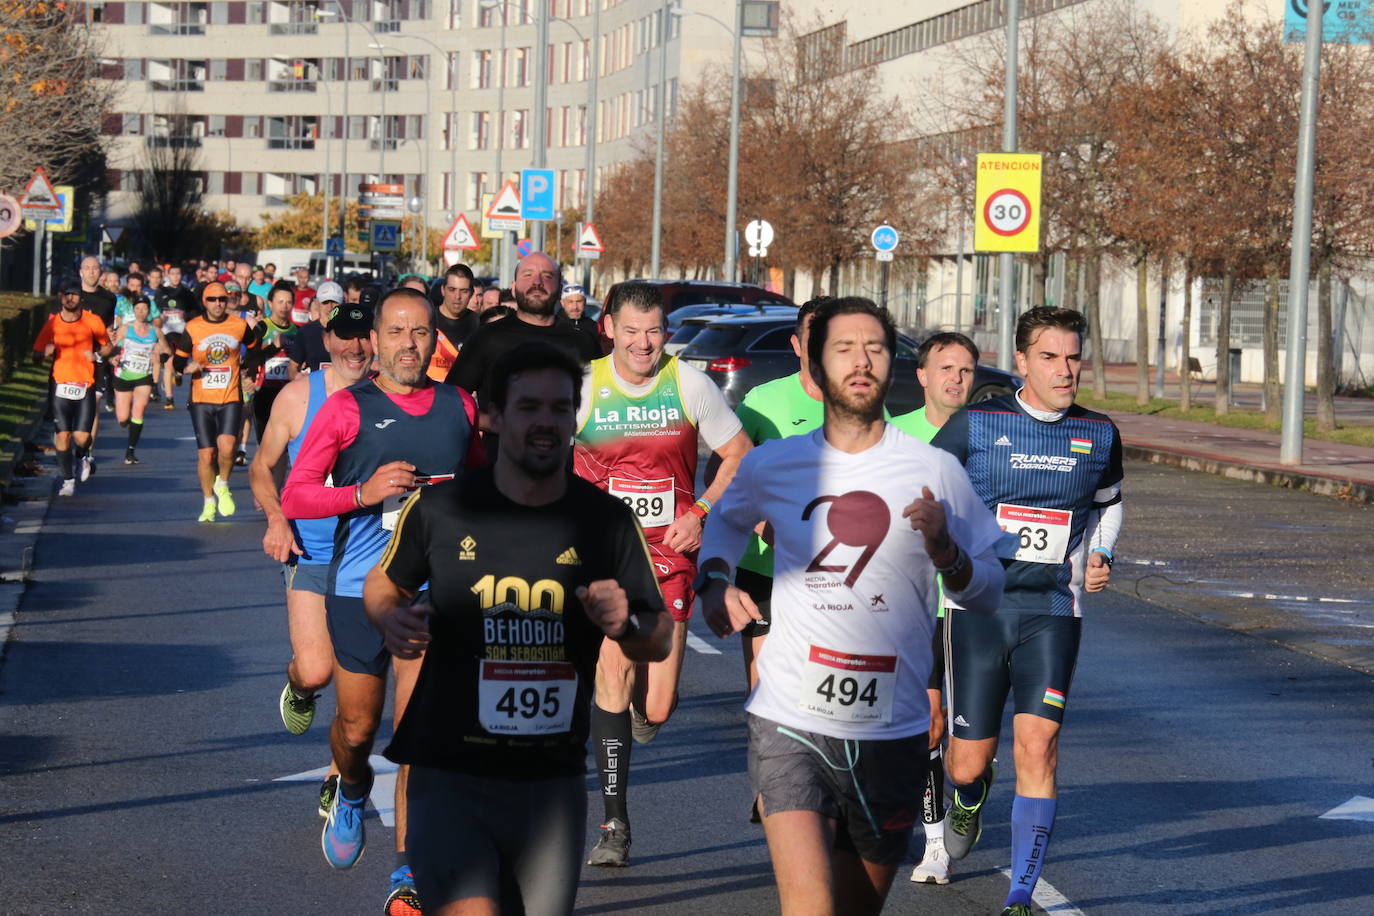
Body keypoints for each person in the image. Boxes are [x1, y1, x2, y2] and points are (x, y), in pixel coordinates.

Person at [696, 297, 1007, 916]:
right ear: (816, 363)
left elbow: (988, 587)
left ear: (893, 365)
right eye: (844, 348)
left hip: (890, 731)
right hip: (790, 716)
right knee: (810, 906)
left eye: (876, 349)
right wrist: (713, 578)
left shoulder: (936, 471)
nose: (861, 362)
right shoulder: (776, 463)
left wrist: (948, 552)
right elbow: (727, 523)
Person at [364, 341, 671, 916]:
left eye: (560, 409)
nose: (546, 423)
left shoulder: (604, 521)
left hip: (549, 786)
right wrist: (390, 616)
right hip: (449, 771)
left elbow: (658, 635)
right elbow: (384, 583)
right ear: (492, 416)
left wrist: (623, 621)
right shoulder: (442, 509)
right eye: (529, 407)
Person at [281, 287, 485, 915]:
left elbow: (485, 489)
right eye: (396, 332)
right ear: (375, 339)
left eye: (420, 333)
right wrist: (363, 494)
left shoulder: (460, 406)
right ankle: (348, 785)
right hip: (356, 590)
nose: (408, 345)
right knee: (358, 728)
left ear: (434, 340)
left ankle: (407, 872)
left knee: (416, 733)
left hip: (435, 592)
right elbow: (297, 495)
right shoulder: (347, 409)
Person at [930, 306, 1123, 916]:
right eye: (1050, 357)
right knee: (967, 764)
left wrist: (1103, 553)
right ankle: (968, 796)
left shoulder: (1100, 434)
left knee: (1038, 746)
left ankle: (1021, 891)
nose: (1065, 370)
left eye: (1072, 357)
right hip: (979, 608)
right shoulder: (977, 425)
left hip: (1052, 611)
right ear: (1020, 363)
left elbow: (1109, 505)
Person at [572, 281, 752, 867]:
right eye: (631, 330)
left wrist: (700, 512)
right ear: (609, 328)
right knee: (613, 671)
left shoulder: (689, 384)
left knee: (657, 708)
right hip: (605, 557)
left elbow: (738, 454)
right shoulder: (584, 386)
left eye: (653, 331)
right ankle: (615, 822)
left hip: (671, 555)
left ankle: (631, 719)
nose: (643, 343)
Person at [248, 302, 376, 826]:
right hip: (313, 551)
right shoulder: (300, 396)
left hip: (375, 559)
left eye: (363, 337)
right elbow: (262, 466)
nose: (355, 348)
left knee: (357, 688)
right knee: (318, 669)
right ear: (327, 342)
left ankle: (337, 775)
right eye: (344, 338)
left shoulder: (396, 397)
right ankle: (298, 683)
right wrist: (277, 519)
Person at [889, 331, 980, 887]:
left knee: (970, 742)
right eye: (946, 368)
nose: (956, 379)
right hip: (918, 600)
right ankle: (934, 843)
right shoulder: (895, 437)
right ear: (922, 375)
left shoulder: (993, 433)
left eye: (967, 370)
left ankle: (971, 788)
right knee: (929, 722)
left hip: (976, 602)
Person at [729, 297, 829, 694]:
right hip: (767, 569)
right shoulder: (762, 403)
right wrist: (762, 522)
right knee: (767, 691)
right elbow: (722, 472)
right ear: (796, 345)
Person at [445, 253, 600, 407]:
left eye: (547, 276)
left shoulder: (582, 342)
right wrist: (493, 422)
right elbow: (450, 401)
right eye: (527, 275)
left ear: (560, 290)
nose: (537, 282)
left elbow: (601, 404)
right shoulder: (486, 338)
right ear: (514, 288)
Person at [175, 281, 258, 522]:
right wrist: (188, 367)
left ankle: (222, 483)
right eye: (213, 299)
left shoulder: (239, 325)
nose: (218, 303)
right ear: (204, 302)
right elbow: (178, 361)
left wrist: (249, 371)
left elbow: (253, 348)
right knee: (207, 454)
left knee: (228, 447)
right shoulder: (193, 327)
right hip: (201, 399)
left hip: (230, 395)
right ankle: (209, 501)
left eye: (222, 299)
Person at [34, 283, 112, 495]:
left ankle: (84, 456)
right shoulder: (53, 324)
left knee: (81, 437)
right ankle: (68, 480)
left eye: (74, 295)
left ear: (80, 298)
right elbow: (36, 354)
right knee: (63, 435)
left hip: (85, 383)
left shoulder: (92, 320)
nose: (70, 298)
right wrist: (44, 353)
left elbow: (107, 345)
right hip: (60, 383)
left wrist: (96, 355)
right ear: (61, 298)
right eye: (66, 294)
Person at [110, 298, 168, 465]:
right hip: (124, 375)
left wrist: (160, 355)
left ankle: (130, 449)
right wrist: (113, 357)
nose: (141, 312)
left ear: (149, 312)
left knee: (139, 409)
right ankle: (127, 424)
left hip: (144, 375)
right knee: (122, 418)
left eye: (144, 309)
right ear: (133, 310)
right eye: (138, 309)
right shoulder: (125, 329)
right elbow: (112, 346)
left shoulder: (155, 332)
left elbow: (167, 350)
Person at [247, 280, 299, 441]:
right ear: (270, 303)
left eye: (289, 302)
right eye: (280, 302)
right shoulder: (262, 327)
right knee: (265, 443)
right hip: (265, 391)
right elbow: (250, 358)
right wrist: (274, 348)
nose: (285, 306)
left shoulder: (297, 331)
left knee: (286, 443)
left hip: (289, 393)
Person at [155, 264, 199, 408]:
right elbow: (153, 312)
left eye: (178, 273)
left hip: (182, 332)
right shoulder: (161, 291)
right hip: (166, 332)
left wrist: (185, 315)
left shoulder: (186, 292)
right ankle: (169, 399)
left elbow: (196, 312)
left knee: (178, 363)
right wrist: (159, 318)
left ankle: (178, 374)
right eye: (172, 273)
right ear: (168, 275)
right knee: (168, 363)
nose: (175, 276)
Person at [427, 263, 480, 383]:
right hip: (428, 395)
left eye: (464, 291)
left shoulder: (480, 325)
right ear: (443, 290)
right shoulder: (427, 320)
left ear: (471, 293)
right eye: (452, 289)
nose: (457, 296)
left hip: (463, 397)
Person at [288, 280, 341, 376]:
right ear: (318, 304)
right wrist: (299, 379)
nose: (330, 307)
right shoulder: (306, 332)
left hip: (344, 389)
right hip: (315, 389)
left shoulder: (350, 331)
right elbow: (292, 367)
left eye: (334, 302)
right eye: (325, 302)